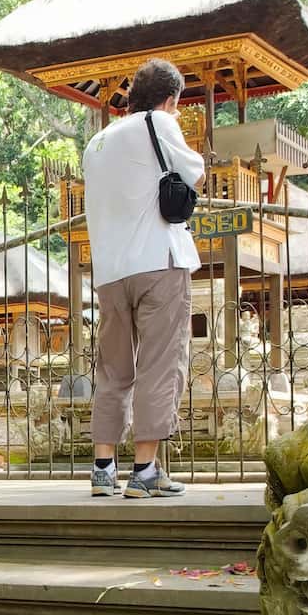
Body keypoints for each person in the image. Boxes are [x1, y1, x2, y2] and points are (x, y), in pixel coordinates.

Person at [82, 58, 205, 498]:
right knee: (160, 364)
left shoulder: (96, 141)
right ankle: (145, 469)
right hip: (157, 262)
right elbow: (195, 173)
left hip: (111, 273)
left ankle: (102, 468)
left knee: (113, 369)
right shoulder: (159, 122)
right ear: (170, 98)